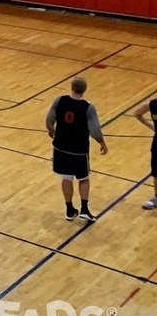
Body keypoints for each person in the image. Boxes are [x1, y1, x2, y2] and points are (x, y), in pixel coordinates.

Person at [46, 77, 108, 222]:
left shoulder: (60, 100)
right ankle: (84, 209)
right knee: (83, 178)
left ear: (72, 87)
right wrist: (102, 142)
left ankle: (69, 209)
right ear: (84, 90)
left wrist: (51, 129)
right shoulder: (88, 107)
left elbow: (49, 118)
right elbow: (95, 130)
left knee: (66, 177)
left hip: (60, 146)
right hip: (78, 149)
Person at [131, 100, 157, 210]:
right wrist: (151, 126)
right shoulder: (153, 104)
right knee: (156, 172)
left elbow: (137, 113)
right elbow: (137, 113)